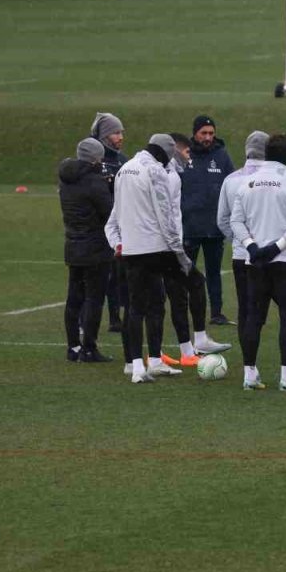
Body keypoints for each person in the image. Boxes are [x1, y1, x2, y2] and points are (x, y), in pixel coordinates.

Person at [231, 133, 286, 391]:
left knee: (253, 318)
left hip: (255, 261)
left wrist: (252, 246)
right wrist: (276, 247)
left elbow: (236, 221)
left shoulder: (247, 182)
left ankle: (249, 375)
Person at [104, 134, 192, 384]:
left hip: (129, 251)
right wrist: (178, 253)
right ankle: (149, 363)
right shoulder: (155, 171)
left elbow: (114, 217)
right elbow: (166, 218)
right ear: (164, 152)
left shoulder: (124, 170)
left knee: (135, 306)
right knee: (153, 305)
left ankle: (139, 364)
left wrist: (117, 243)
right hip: (154, 249)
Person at [159, 133, 230, 369]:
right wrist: (176, 248)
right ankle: (185, 348)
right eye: (187, 152)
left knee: (185, 289)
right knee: (170, 295)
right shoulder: (168, 176)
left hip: (169, 244)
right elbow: (166, 214)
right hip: (165, 247)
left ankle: (189, 346)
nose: (190, 158)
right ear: (176, 150)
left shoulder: (171, 174)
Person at [60, 138, 115, 363]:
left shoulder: (66, 179)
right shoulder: (94, 182)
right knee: (94, 299)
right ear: (95, 157)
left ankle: (73, 346)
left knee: (74, 298)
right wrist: (110, 186)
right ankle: (89, 348)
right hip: (95, 247)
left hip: (73, 244)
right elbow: (109, 212)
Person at [179, 115, 235, 325]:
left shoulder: (221, 155)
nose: (208, 137)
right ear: (195, 133)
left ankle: (217, 312)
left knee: (214, 272)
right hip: (189, 226)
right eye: (204, 133)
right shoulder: (184, 155)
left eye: (211, 133)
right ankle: (183, 310)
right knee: (186, 272)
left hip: (214, 226)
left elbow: (231, 184)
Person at [218, 131, 269, 337]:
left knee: (245, 309)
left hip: (241, 255)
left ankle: (249, 363)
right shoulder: (280, 179)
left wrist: (241, 242)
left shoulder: (231, 179)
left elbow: (222, 219)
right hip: (272, 254)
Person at [91, 112, 127, 332]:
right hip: (98, 227)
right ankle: (88, 322)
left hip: (119, 227)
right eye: (115, 132)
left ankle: (115, 317)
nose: (120, 136)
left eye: (121, 132)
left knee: (117, 274)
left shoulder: (124, 161)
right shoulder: (95, 162)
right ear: (104, 136)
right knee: (97, 277)